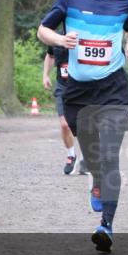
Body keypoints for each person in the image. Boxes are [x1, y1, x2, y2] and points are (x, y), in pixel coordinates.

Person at [37, 0, 128, 253]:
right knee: (94, 155)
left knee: (109, 156)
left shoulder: (126, 2)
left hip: (113, 89)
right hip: (77, 93)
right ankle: (95, 177)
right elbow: (43, 30)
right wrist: (60, 38)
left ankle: (105, 226)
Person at [42, 43, 78, 174]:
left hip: (84, 88)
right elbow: (50, 55)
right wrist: (45, 75)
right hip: (63, 88)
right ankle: (71, 155)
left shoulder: (85, 36)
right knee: (64, 124)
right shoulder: (55, 39)